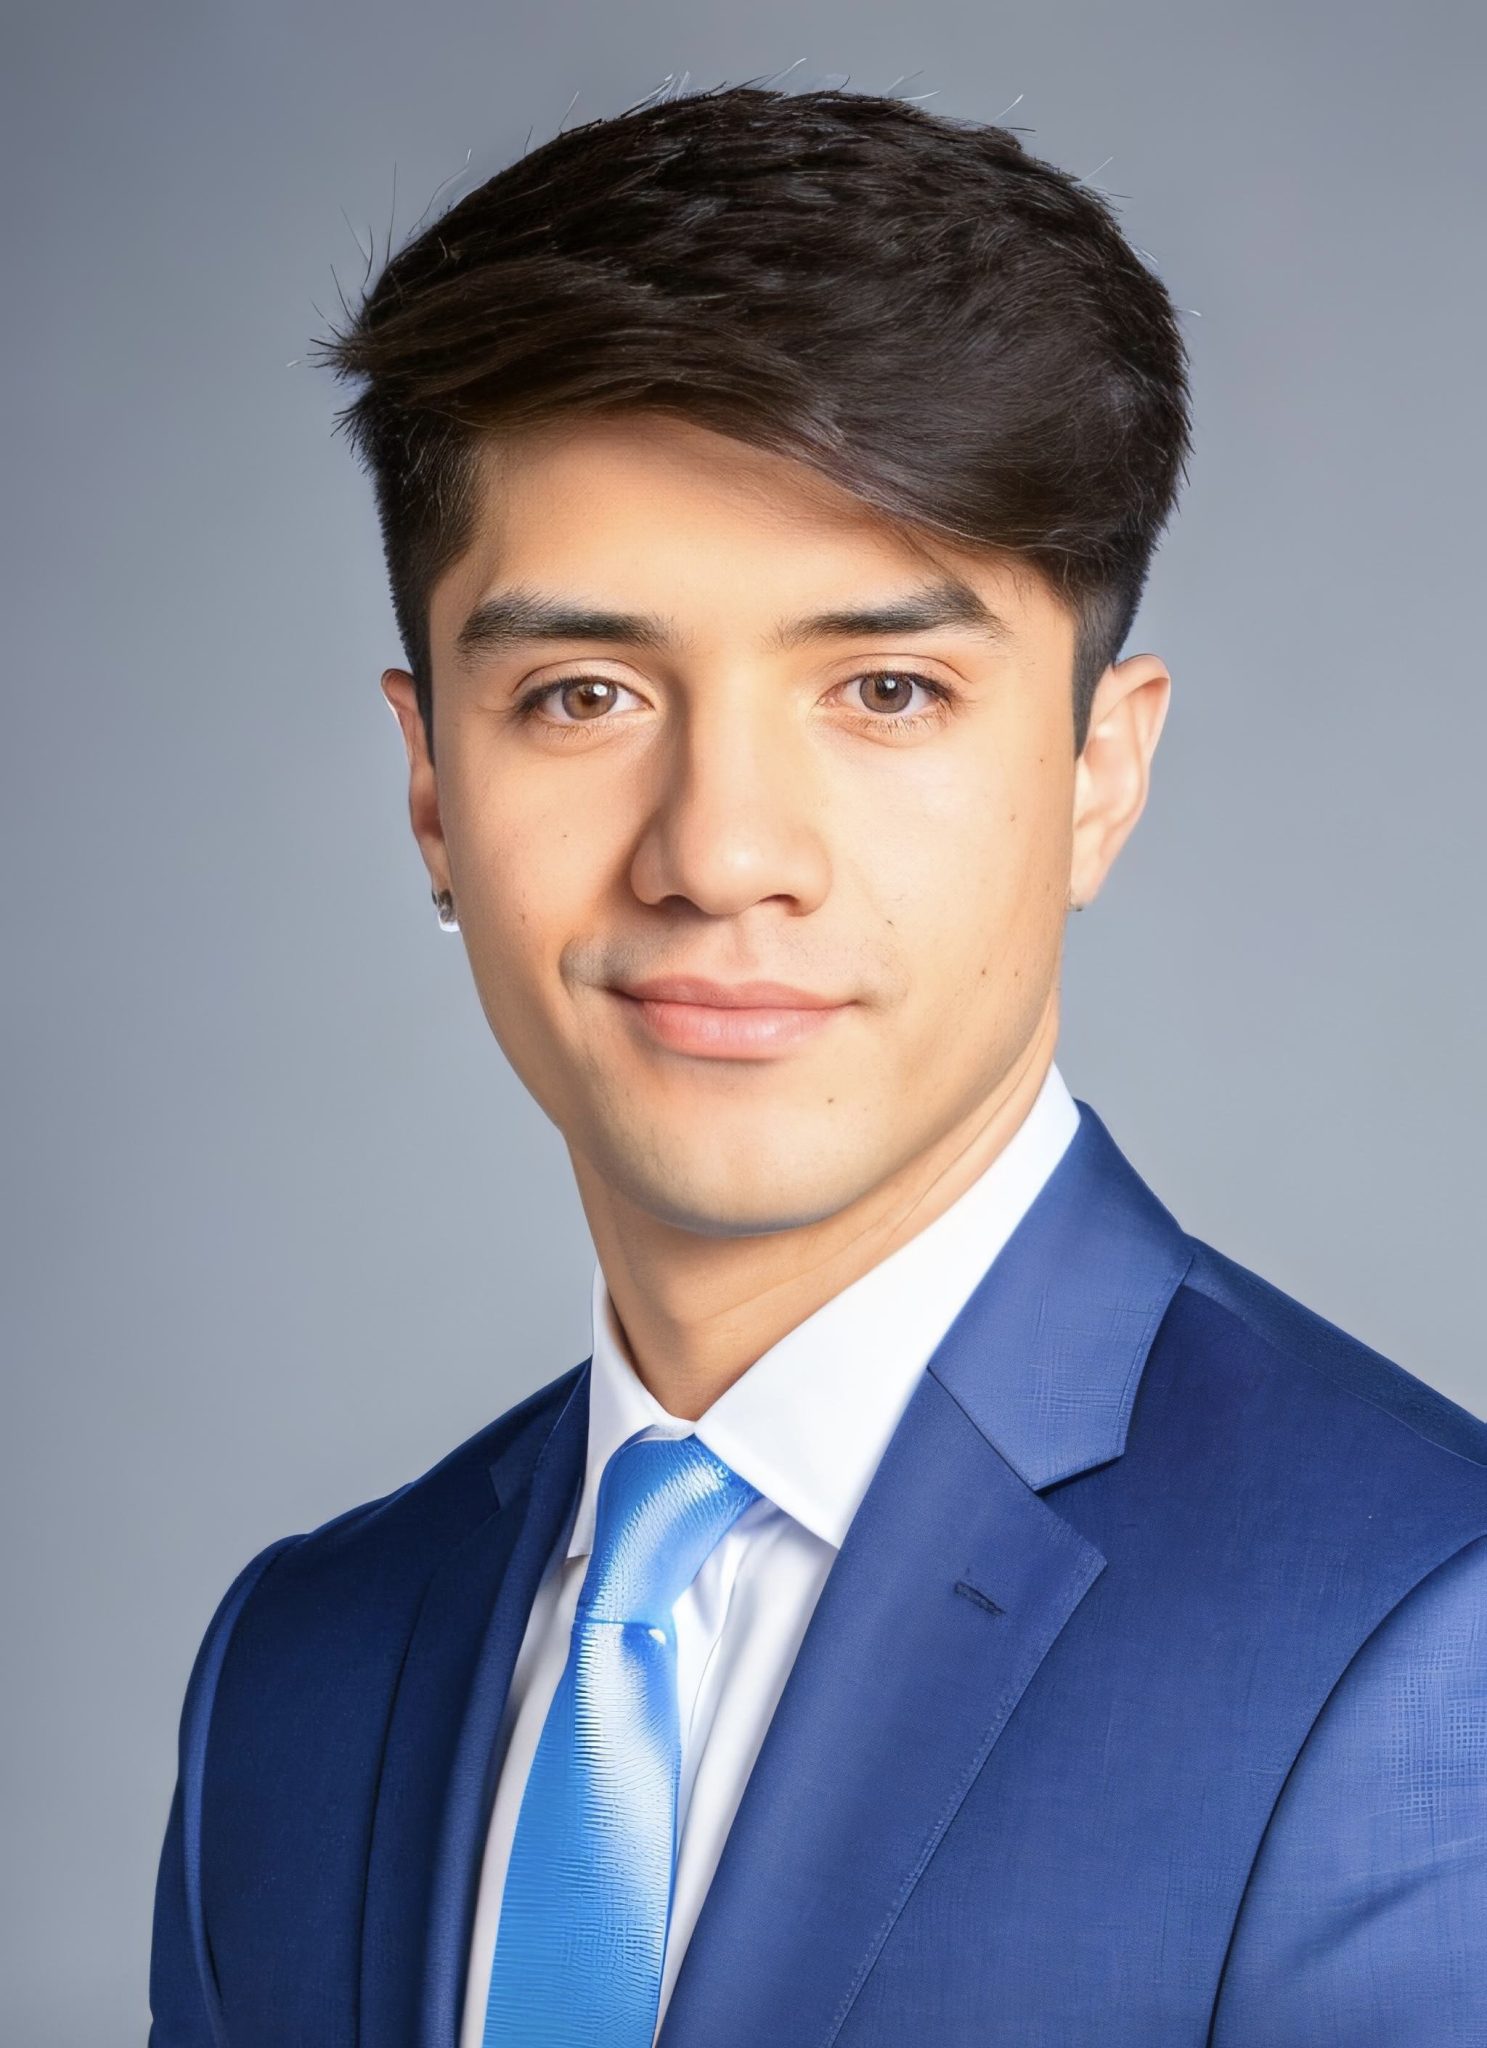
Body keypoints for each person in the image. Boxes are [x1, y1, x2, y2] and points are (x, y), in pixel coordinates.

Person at [147, 82, 1487, 2047]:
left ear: (1099, 773)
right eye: (582, 694)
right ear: (432, 786)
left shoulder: (1427, 1644)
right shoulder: (302, 1673)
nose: (720, 853)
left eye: (886, 689)